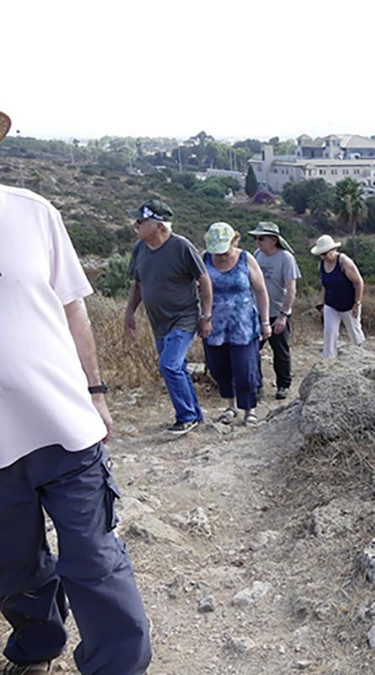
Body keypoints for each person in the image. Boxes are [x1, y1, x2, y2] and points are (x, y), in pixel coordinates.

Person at [0, 109, 151, 674]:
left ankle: (118, 667)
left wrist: (96, 391)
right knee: (12, 567)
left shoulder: (33, 213)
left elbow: (73, 308)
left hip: (62, 424)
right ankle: (37, 648)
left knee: (93, 558)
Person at [124, 198, 212, 435]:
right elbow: (138, 284)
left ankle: (186, 417)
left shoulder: (181, 247)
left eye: (141, 221)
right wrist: (129, 313)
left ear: (158, 225)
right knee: (178, 368)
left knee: (169, 365)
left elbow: (204, 280)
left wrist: (206, 316)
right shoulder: (140, 249)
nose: (136, 225)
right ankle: (195, 414)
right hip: (158, 322)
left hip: (184, 317)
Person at [202, 223, 272, 427]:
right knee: (219, 369)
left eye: (224, 249)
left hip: (243, 326)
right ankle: (230, 406)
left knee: (244, 369)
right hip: (214, 327)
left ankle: (249, 409)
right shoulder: (204, 258)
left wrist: (265, 321)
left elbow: (260, 291)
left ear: (234, 241)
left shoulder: (245, 258)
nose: (221, 254)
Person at [249, 222, 300, 400]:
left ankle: (283, 385)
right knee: (252, 350)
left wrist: (283, 315)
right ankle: (256, 385)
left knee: (280, 352)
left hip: (278, 312)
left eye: (261, 238)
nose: (258, 242)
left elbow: (291, 289)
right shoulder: (257, 256)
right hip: (258, 312)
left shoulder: (286, 258)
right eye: (256, 238)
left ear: (273, 240)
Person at [311, 235, 365, 358]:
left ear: (333, 250)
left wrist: (357, 303)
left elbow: (359, 282)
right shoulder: (322, 265)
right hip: (331, 304)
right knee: (329, 334)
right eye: (322, 254)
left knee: (354, 333)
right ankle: (328, 361)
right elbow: (325, 286)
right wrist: (322, 304)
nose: (324, 257)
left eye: (326, 254)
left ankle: (362, 357)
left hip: (349, 304)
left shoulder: (343, 262)